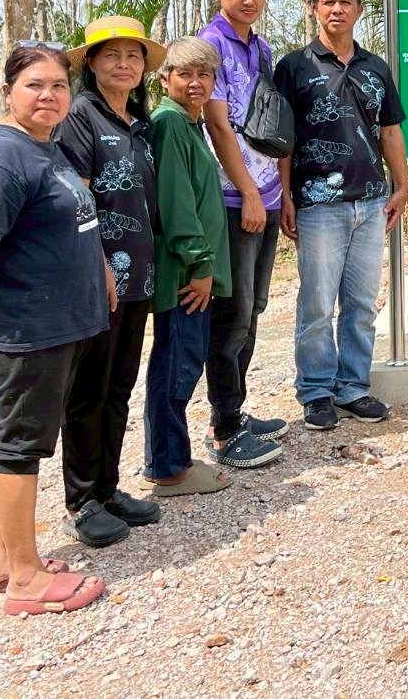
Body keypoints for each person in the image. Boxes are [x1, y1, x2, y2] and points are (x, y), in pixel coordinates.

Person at [0, 44, 109, 615]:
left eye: (59, 86)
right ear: (9, 92)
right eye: (35, 85)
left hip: (58, 324)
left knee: (19, 442)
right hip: (26, 329)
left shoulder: (45, 146)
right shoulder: (1, 157)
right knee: (20, 449)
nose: (49, 95)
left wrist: (102, 275)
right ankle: (24, 578)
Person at [276, 0, 408, 430]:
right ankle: (315, 391)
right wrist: (286, 197)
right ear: (313, 7)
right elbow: (282, 138)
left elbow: (390, 129)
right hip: (317, 204)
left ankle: (352, 386)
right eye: (328, 1)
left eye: (345, 1)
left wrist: (402, 185)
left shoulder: (376, 68)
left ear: (359, 9)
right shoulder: (294, 68)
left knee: (361, 302)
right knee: (316, 302)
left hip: (371, 203)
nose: (337, 9)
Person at [54, 16, 166, 549]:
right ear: (92, 63)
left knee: (119, 386)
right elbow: (76, 199)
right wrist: (98, 265)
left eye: (134, 56)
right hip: (99, 279)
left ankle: (109, 486)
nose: (124, 64)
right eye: (112, 54)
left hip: (138, 279)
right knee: (88, 390)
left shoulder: (137, 125)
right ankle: (83, 500)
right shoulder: (81, 117)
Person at [199, 0, 287, 468]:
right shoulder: (211, 46)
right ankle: (225, 429)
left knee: (253, 310)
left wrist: (277, 189)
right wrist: (249, 193)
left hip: (267, 193)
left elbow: (270, 123)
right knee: (231, 316)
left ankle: (236, 410)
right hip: (234, 199)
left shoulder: (264, 48)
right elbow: (218, 124)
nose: (248, 0)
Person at [146, 37, 241, 495]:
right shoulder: (168, 124)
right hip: (185, 275)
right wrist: (200, 265)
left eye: (205, 74)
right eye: (185, 74)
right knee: (176, 367)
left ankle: (171, 459)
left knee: (181, 363)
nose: (196, 82)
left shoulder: (190, 123)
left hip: (196, 271)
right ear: (165, 79)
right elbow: (176, 203)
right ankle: (169, 467)